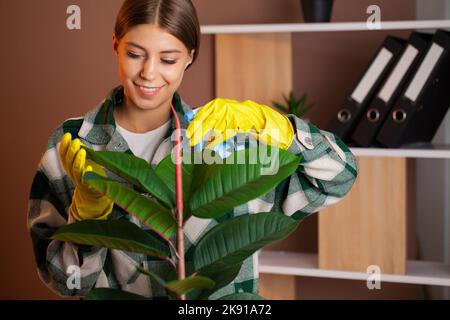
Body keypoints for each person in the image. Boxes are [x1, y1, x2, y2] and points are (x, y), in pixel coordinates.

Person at [27, 0, 358, 299]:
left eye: (168, 59)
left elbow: (339, 177)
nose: (149, 73)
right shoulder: (71, 142)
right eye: (134, 53)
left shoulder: (226, 140)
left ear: (190, 57)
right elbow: (65, 282)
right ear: (115, 45)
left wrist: (274, 126)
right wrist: (86, 217)